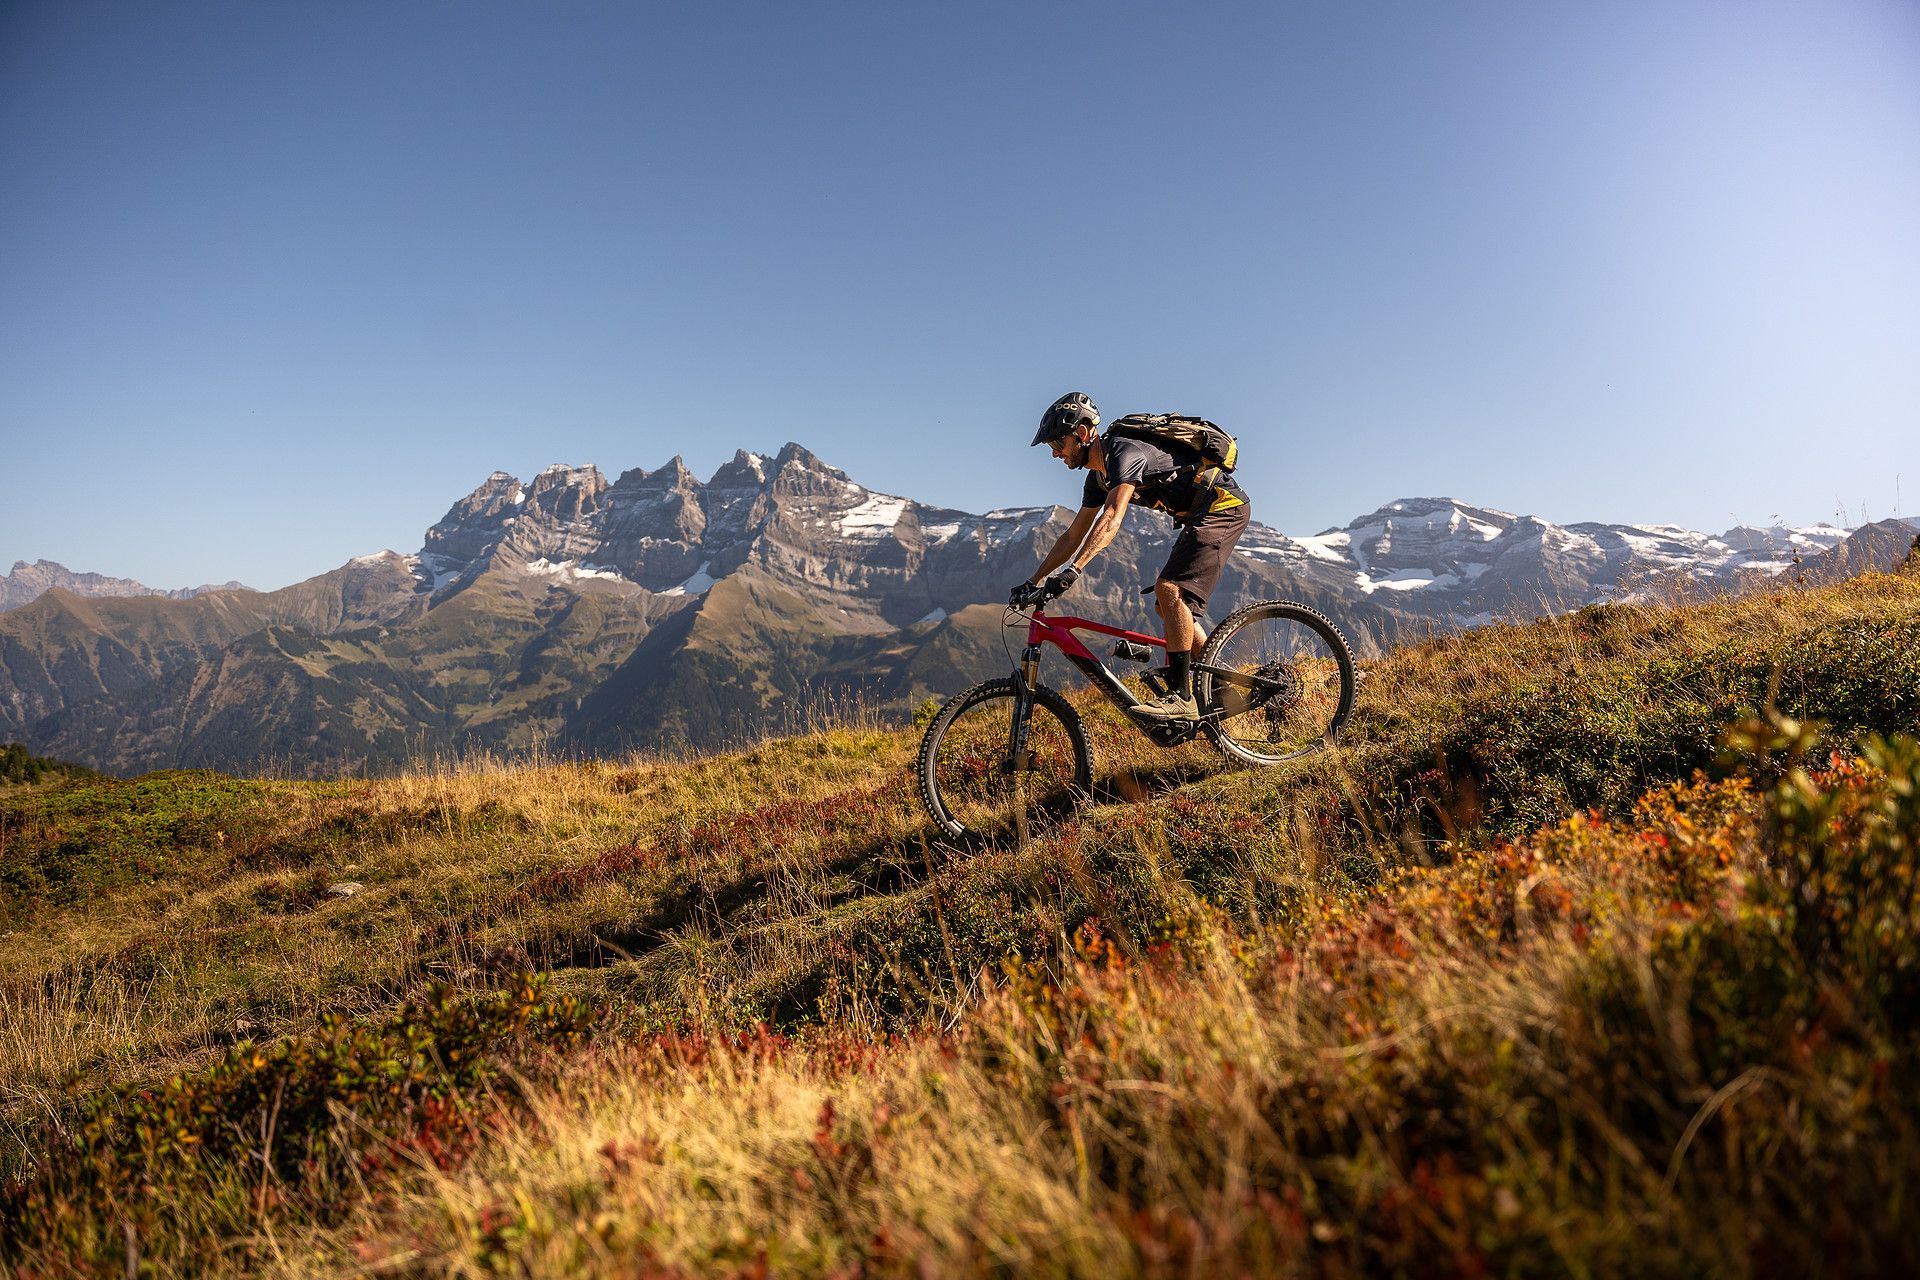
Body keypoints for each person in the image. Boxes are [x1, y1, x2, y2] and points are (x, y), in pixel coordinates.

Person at [1015, 391, 1251, 721]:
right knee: (1167, 605)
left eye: (1058, 442)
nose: (1054, 453)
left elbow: (1112, 516)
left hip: (1223, 507)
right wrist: (1033, 580)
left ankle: (1182, 697)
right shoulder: (1097, 477)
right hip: (1198, 514)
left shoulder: (1124, 453)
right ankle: (1225, 688)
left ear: (1082, 434)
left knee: (1170, 591)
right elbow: (1074, 533)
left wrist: (1076, 571)